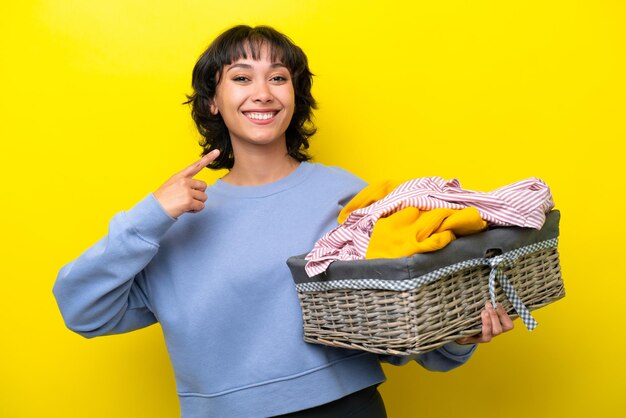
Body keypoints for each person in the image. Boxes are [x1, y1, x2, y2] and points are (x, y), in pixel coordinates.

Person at [53, 25, 514, 418]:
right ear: (212, 100)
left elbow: (400, 315)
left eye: (278, 77)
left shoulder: (345, 194)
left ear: (294, 97)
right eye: (241, 77)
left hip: (346, 407)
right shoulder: (174, 221)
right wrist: (150, 215)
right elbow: (83, 311)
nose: (263, 93)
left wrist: (460, 337)